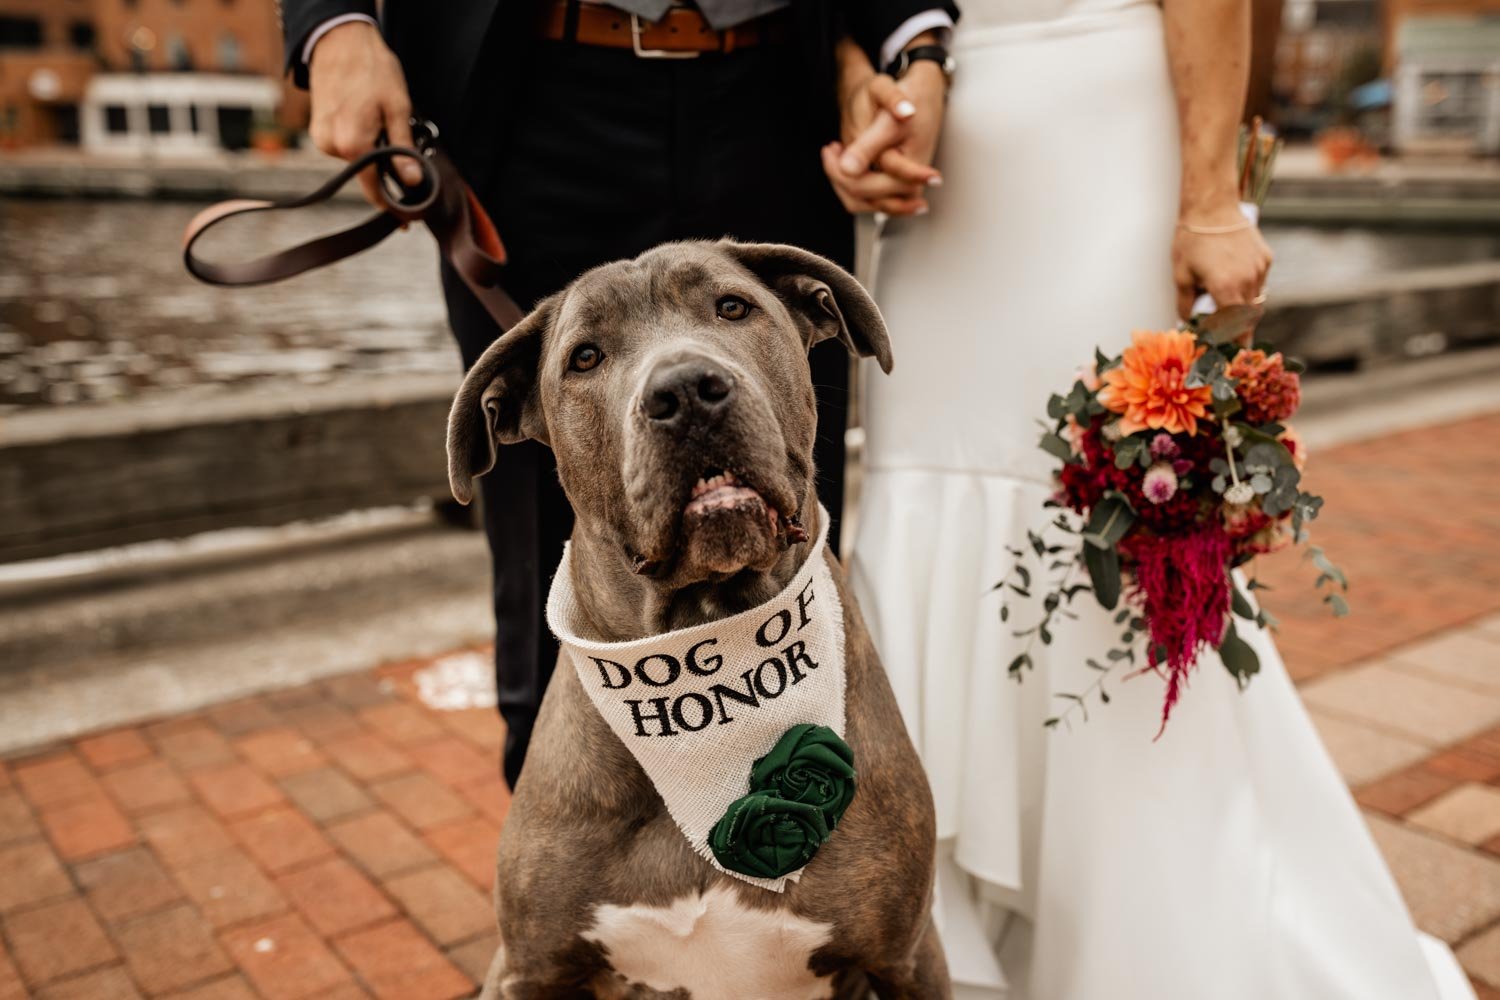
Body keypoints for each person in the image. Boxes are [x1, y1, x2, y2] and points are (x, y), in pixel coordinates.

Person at [829, 1, 1478, 997]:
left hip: (1102, 119)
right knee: (924, 483)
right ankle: (948, 938)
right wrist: (864, 86)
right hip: (946, 144)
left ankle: (1144, 941)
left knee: (1108, 517)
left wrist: (1213, 199)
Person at [278, 0, 958, 788]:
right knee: (545, 568)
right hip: (537, 92)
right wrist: (336, 25)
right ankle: (577, 894)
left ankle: (821, 874)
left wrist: (911, 41)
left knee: (792, 529)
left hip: (775, 98)